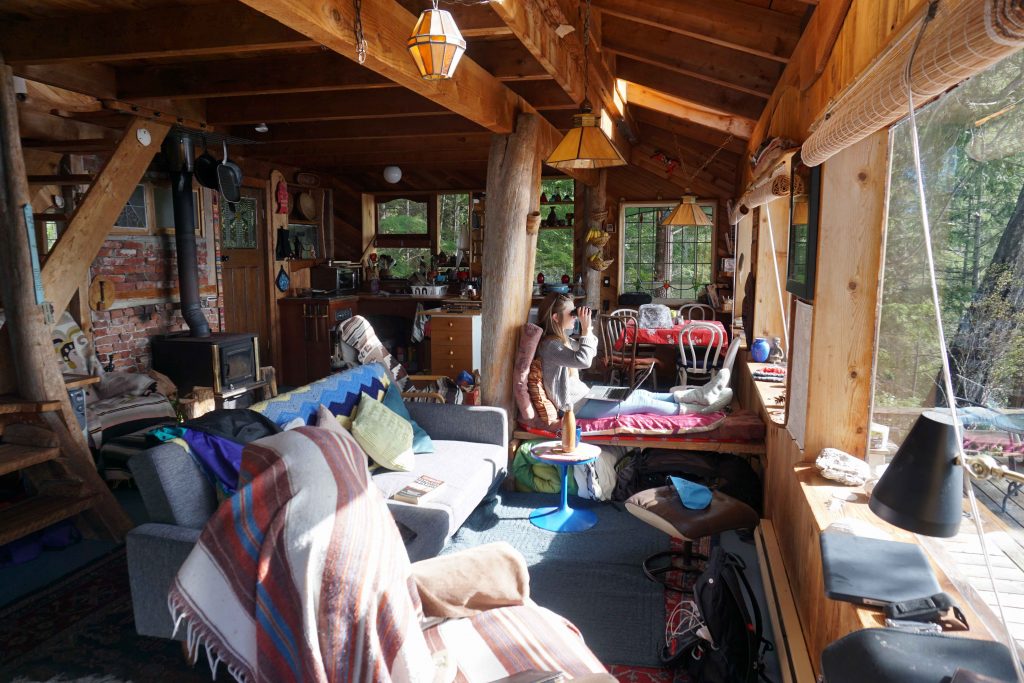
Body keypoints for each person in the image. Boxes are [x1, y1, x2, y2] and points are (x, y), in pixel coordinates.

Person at [535, 293, 732, 420]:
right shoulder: (550, 346)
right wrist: (585, 330)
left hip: (585, 398)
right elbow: (585, 361)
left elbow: (591, 352)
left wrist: (588, 329)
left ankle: (699, 396)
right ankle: (698, 410)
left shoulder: (562, 340)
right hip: (573, 409)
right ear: (555, 317)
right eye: (571, 313)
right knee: (642, 403)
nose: (575, 316)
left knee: (641, 394)